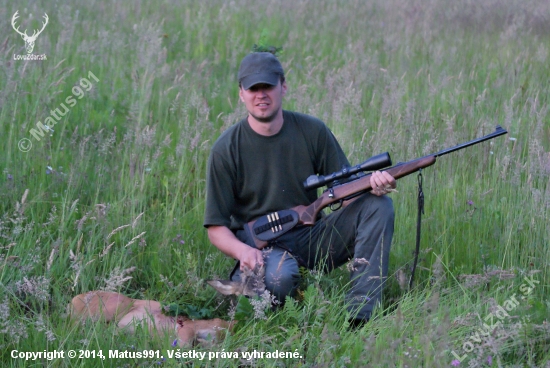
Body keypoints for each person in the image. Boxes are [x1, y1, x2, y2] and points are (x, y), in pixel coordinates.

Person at [204, 52, 396, 326]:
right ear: (241, 94)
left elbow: (343, 194)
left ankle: (360, 316)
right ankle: (275, 311)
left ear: (283, 86)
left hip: (312, 235)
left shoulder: (313, 131)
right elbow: (216, 229)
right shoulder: (226, 149)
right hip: (265, 247)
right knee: (279, 277)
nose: (261, 95)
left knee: (378, 206)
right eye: (253, 88)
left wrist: (372, 188)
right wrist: (243, 252)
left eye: (268, 86)